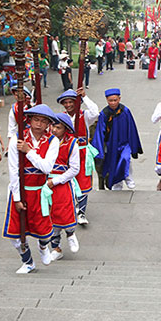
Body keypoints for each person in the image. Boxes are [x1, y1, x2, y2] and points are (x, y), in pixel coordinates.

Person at [3, 104, 60, 274]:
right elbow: (13, 170)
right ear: (29, 120)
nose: (39, 124)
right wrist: (17, 198)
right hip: (21, 190)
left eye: (43, 121)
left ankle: (43, 247)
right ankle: (27, 261)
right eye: (36, 119)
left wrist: (29, 151)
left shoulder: (53, 141)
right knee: (15, 233)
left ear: (48, 124)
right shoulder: (16, 139)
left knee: (44, 232)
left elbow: (47, 167)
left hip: (40, 192)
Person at [57, 88, 99, 225]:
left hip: (82, 154)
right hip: (66, 153)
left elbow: (95, 112)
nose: (68, 105)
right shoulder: (61, 118)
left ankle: (81, 212)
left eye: (71, 102)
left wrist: (85, 97)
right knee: (66, 181)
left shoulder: (84, 115)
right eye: (66, 102)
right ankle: (69, 206)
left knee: (83, 182)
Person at [91, 88, 142, 190]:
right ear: (107, 100)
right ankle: (117, 183)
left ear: (119, 99)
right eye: (110, 100)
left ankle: (128, 177)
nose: (113, 103)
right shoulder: (104, 114)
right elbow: (100, 131)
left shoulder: (125, 111)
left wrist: (134, 145)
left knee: (125, 158)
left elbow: (131, 127)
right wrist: (99, 149)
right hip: (112, 144)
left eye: (115, 100)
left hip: (125, 142)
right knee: (114, 163)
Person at [47, 112, 81, 260]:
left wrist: (55, 181)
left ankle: (70, 234)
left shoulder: (72, 144)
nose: (54, 130)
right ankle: (55, 247)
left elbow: (74, 169)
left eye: (58, 127)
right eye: (53, 126)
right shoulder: (45, 141)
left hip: (62, 183)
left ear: (65, 129)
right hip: (45, 183)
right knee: (49, 216)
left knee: (64, 212)